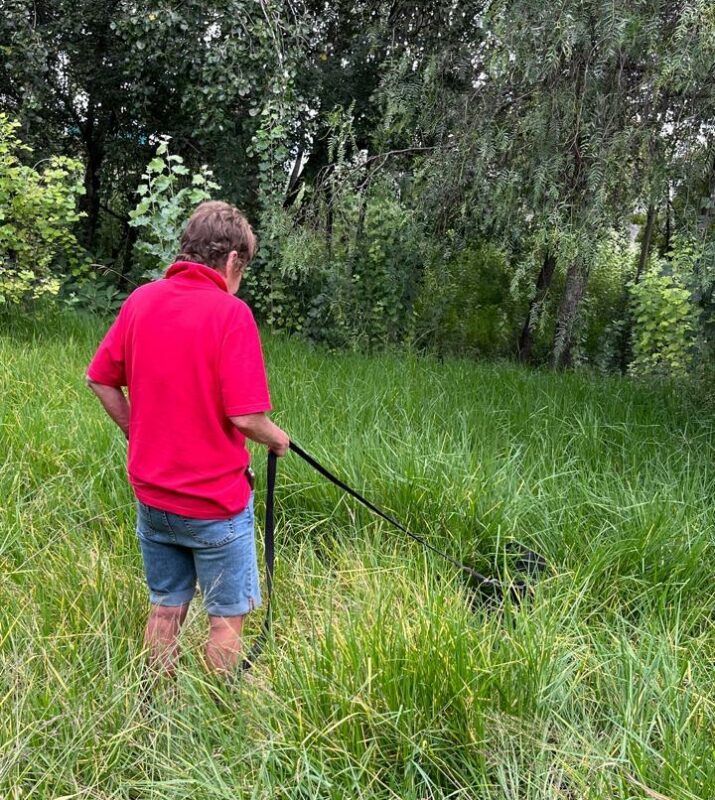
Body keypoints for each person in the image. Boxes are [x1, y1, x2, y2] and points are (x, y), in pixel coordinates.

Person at [86, 200, 289, 676]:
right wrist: (278, 439)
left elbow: (99, 379)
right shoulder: (231, 313)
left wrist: (137, 434)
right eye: (245, 266)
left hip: (153, 498)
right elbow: (245, 418)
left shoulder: (141, 301)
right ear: (234, 260)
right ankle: (217, 719)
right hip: (214, 505)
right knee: (226, 621)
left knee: (164, 609)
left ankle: (159, 708)